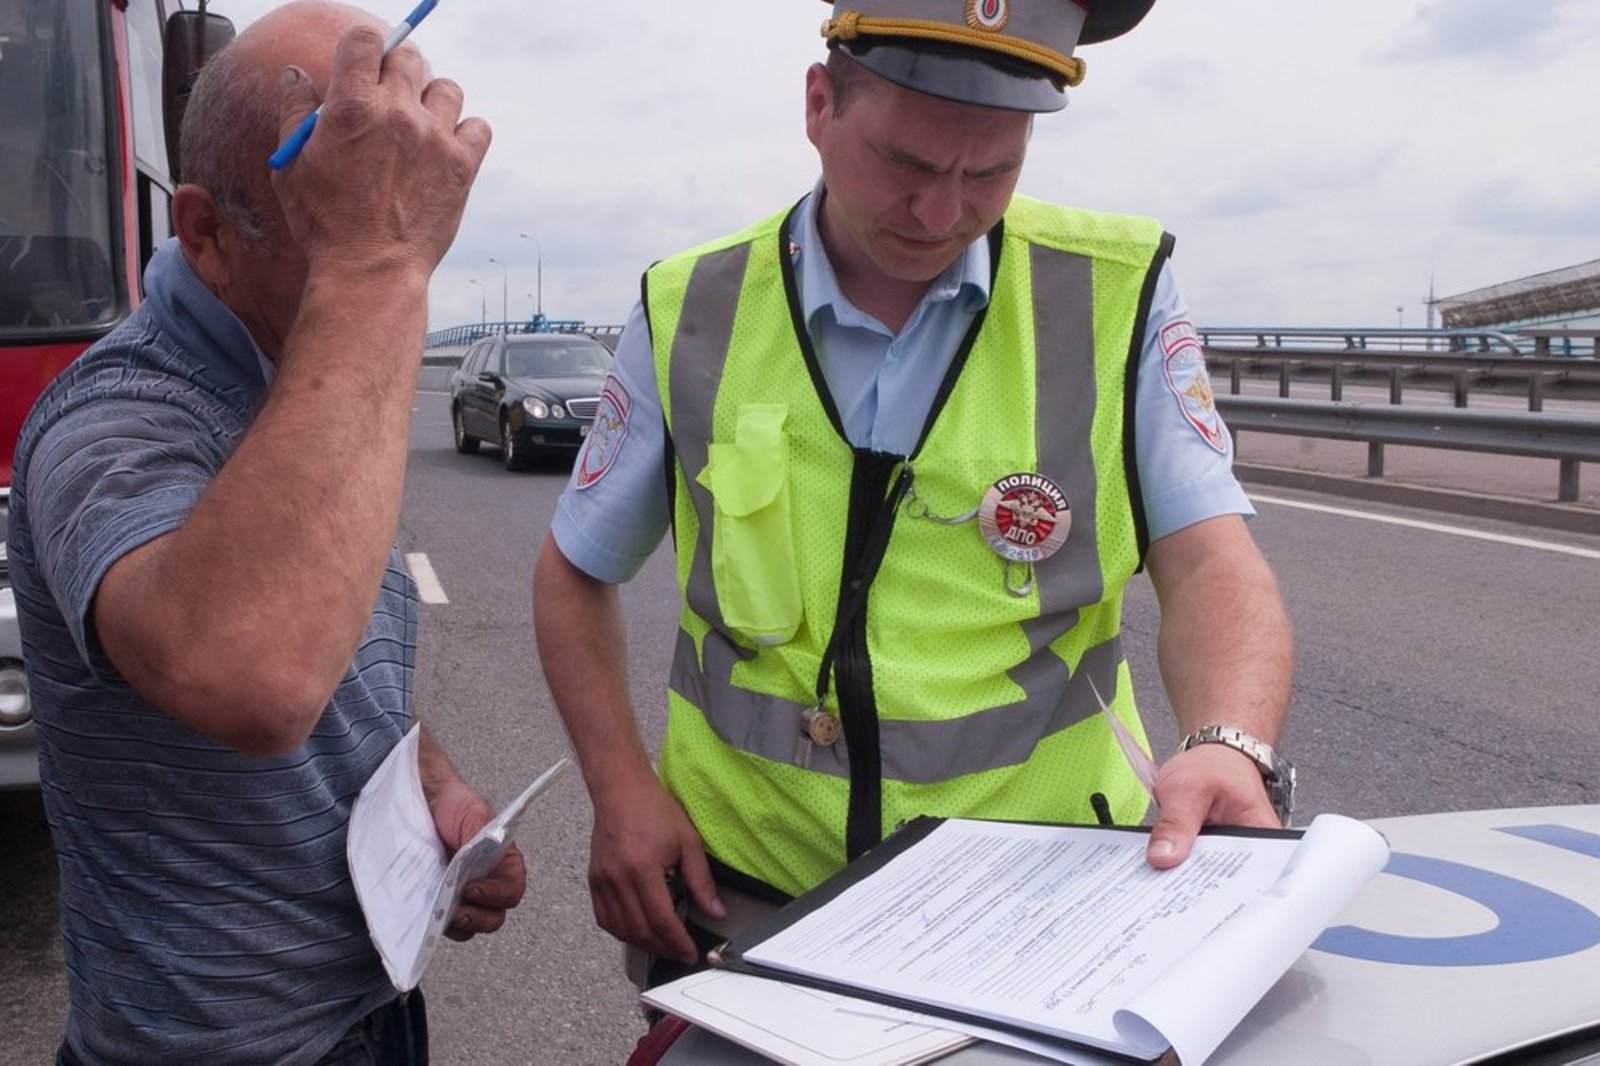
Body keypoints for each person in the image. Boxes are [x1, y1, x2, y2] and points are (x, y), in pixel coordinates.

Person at [533, 0, 1296, 981]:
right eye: (907, 164)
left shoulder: (1114, 289)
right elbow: (572, 572)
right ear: (819, 105)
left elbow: (1210, 564)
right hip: (749, 900)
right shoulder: (690, 307)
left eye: (991, 172)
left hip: (1039, 908)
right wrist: (618, 789)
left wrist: (1230, 741)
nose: (942, 213)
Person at [6, 2, 523, 1061]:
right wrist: (379, 273)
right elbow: (256, 672)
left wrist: (435, 792)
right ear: (204, 232)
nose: (390, 224)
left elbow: (333, 657)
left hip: (371, 1010)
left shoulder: (315, 373)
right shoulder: (109, 421)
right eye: (339, 198)